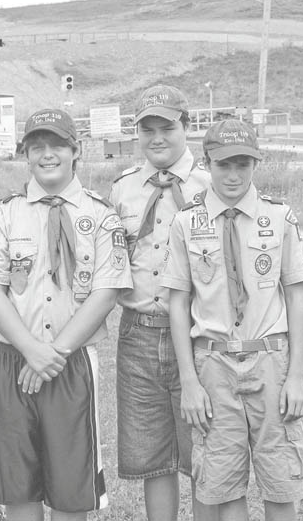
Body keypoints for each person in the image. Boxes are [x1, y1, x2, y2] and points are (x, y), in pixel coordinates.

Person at [0, 109, 132, 521]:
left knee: (70, 485)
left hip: (72, 361)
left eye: (57, 145)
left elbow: (106, 292)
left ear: (75, 150)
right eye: (37, 146)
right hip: (12, 358)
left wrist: (54, 352)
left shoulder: (100, 215)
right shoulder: (5, 214)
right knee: (17, 479)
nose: (47, 154)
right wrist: (31, 350)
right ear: (25, 154)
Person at [162, 120, 303, 521]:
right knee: (221, 482)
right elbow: (178, 304)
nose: (233, 175)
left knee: (281, 479)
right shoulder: (186, 223)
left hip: (270, 361)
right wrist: (190, 383)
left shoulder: (278, 218)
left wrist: (296, 376)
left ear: (255, 165)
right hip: (213, 364)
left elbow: (296, 294)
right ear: (207, 162)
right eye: (224, 165)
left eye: (243, 165)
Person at [108, 84, 215, 521]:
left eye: (166, 127)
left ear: (186, 127)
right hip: (137, 332)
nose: (157, 138)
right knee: (155, 457)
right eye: (147, 129)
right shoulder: (123, 190)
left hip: (197, 331)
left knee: (205, 450)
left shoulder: (214, 184)